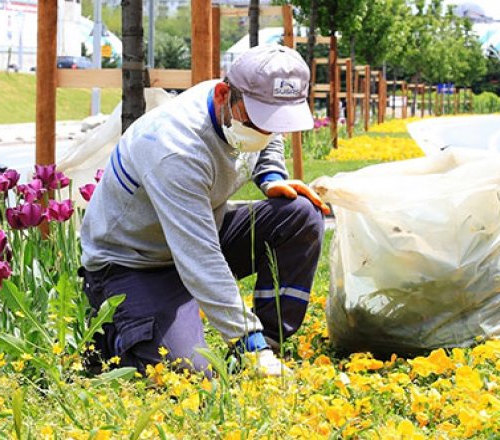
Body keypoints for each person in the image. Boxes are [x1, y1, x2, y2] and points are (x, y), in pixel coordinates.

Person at [79, 44, 329, 377]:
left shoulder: (244, 105)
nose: (266, 132)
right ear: (225, 95)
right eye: (258, 121)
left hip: (197, 230)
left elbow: (270, 134)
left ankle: (271, 340)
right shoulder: (175, 150)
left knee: (300, 215)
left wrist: (271, 177)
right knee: (189, 374)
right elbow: (200, 257)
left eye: (276, 121)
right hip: (133, 263)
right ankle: (115, 334)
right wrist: (245, 340)